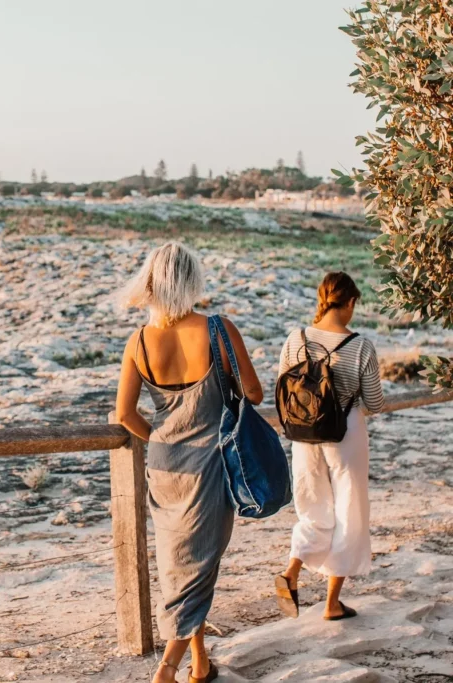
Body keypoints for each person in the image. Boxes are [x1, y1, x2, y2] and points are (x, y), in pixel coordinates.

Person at [115, 242, 263, 683]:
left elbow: (125, 414)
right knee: (199, 567)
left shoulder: (139, 340)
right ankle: (166, 670)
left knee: (180, 563)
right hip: (209, 464)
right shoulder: (218, 330)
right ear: (192, 279)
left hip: (164, 465)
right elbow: (253, 393)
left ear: (152, 283)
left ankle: (200, 663)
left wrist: (161, 437)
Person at [275, 272, 384, 620]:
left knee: (313, 507)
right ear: (350, 302)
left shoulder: (297, 338)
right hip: (345, 433)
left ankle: (291, 571)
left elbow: (282, 383)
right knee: (348, 512)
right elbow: (375, 403)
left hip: (304, 435)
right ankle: (331, 603)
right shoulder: (361, 345)